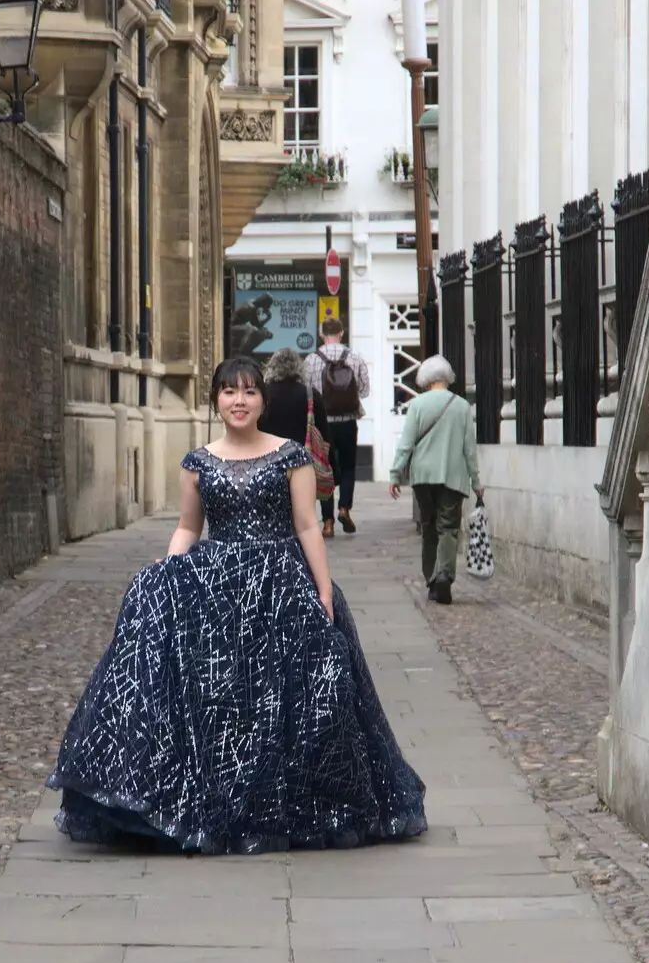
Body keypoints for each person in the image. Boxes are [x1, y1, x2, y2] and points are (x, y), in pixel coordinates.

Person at [48, 356, 427, 854]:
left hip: (281, 584)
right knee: (223, 703)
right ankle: (214, 802)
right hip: (218, 588)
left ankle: (289, 805)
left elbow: (307, 525)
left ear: (263, 402)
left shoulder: (291, 456)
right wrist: (169, 575)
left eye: (249, 392)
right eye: (229, 392)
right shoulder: (198, 462)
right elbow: (188, 526)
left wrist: (325, 589)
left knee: (295, 701)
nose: (239, 401)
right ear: (217, 401)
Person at [388, 356, 483, 606]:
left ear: (425, 379)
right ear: (448, 376)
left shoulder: (417, 405)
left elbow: (406, 443)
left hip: (423, 476)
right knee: (449, 528)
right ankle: (444, 576)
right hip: (453, 476)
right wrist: (476, 480)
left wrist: (395, 474)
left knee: (428, 525)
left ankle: (431, 577)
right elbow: (469, 449)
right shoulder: (462, 407)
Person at [303, 318, 369, 537]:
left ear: (322, 334)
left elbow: (307, 392)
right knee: (349, 466)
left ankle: (328, 522)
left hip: (323, 424)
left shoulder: (312, 359)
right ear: (342, 332)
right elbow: (364, 389)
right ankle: (344, 508)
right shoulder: (355, 357)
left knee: (325, 469)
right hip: (348, 421)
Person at [256, 347, 310, 444]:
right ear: (299, 367)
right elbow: (323, 431)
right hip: (300, 453)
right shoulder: (310, 394)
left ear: (271, 366)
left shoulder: (262, 393)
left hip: (268, 453)